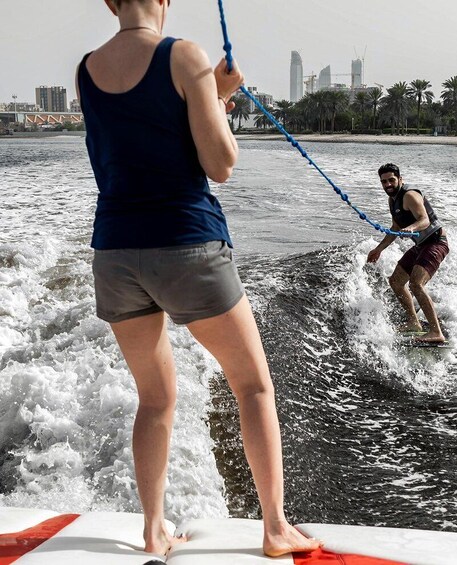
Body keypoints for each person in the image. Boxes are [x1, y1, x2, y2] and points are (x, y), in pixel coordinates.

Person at [76, 0, 321, 558]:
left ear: (110, 2)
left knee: (155, 400)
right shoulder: (185, 55)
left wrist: (213, 92)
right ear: (165, 0)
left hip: (114, 252)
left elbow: (139, 138)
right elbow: (221, 163)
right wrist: (217, 96)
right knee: (253, 385)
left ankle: (153, 528)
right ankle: (276, 528)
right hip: (186, 244)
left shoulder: (86, 67)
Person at [367, 163, 449, 343]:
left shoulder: (410, 195)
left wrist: (410, 229)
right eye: (384, 182)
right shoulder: (393, 200)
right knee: (395, 281)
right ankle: (414, 322)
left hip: (436, 243)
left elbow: (424, 220)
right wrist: (378, 249)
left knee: (416, 284)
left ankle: (436, 332)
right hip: (421, 245)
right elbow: (395, 227)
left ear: (400, 179)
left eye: (391, 180)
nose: (387, 184)